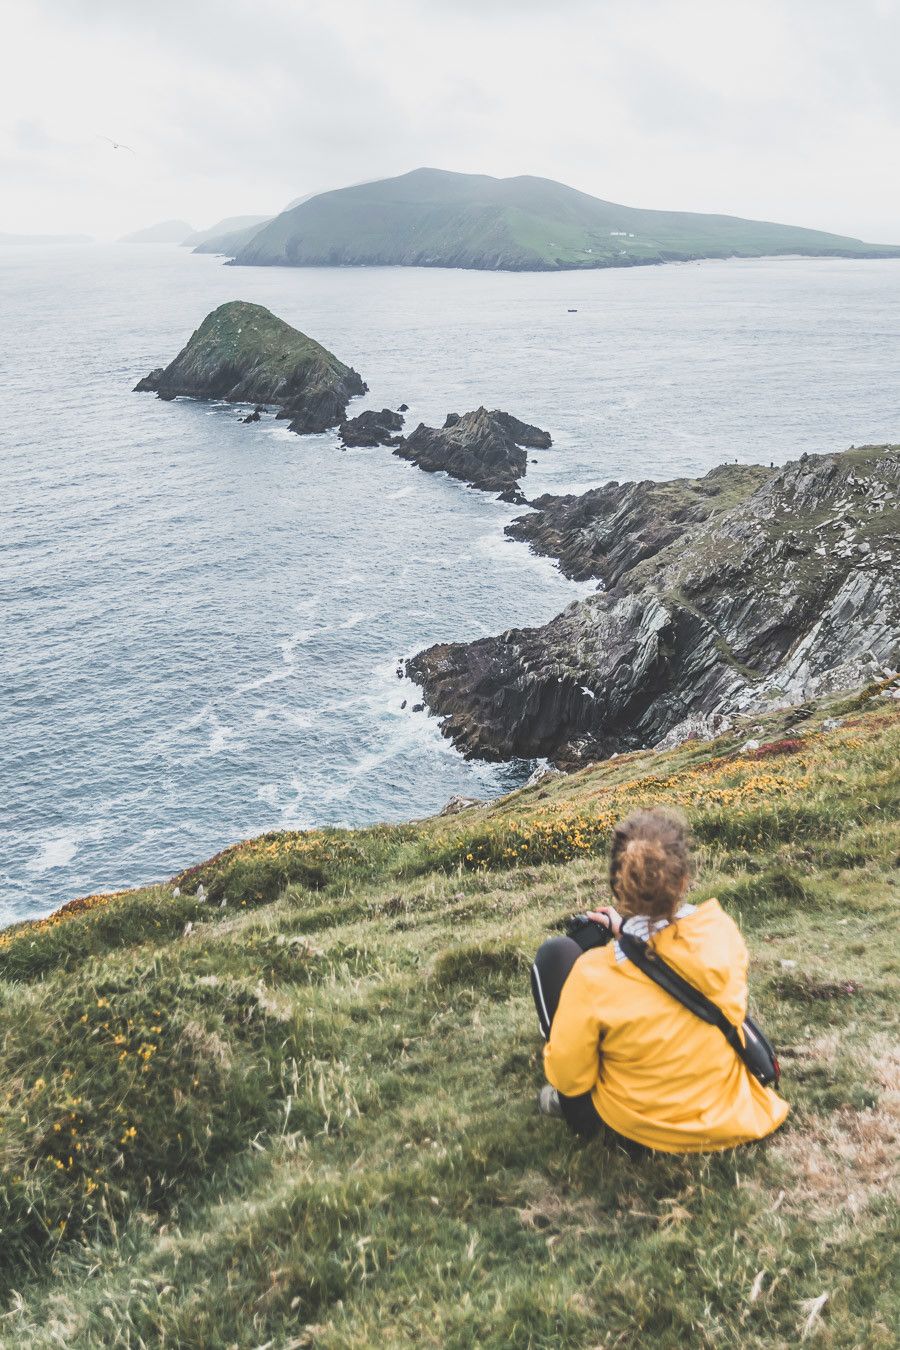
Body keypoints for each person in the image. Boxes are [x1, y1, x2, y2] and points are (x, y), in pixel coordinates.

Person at [530, 807, 789, 1153]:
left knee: (555, 954)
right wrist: (629, 935)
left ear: (617, 888)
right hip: (731, 1117)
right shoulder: (720, 933)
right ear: (683, 879)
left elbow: (569, 1077)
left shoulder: (594, 975)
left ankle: (569, 1107)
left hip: (638, 1133)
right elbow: (670, 964)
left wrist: (624, 936)